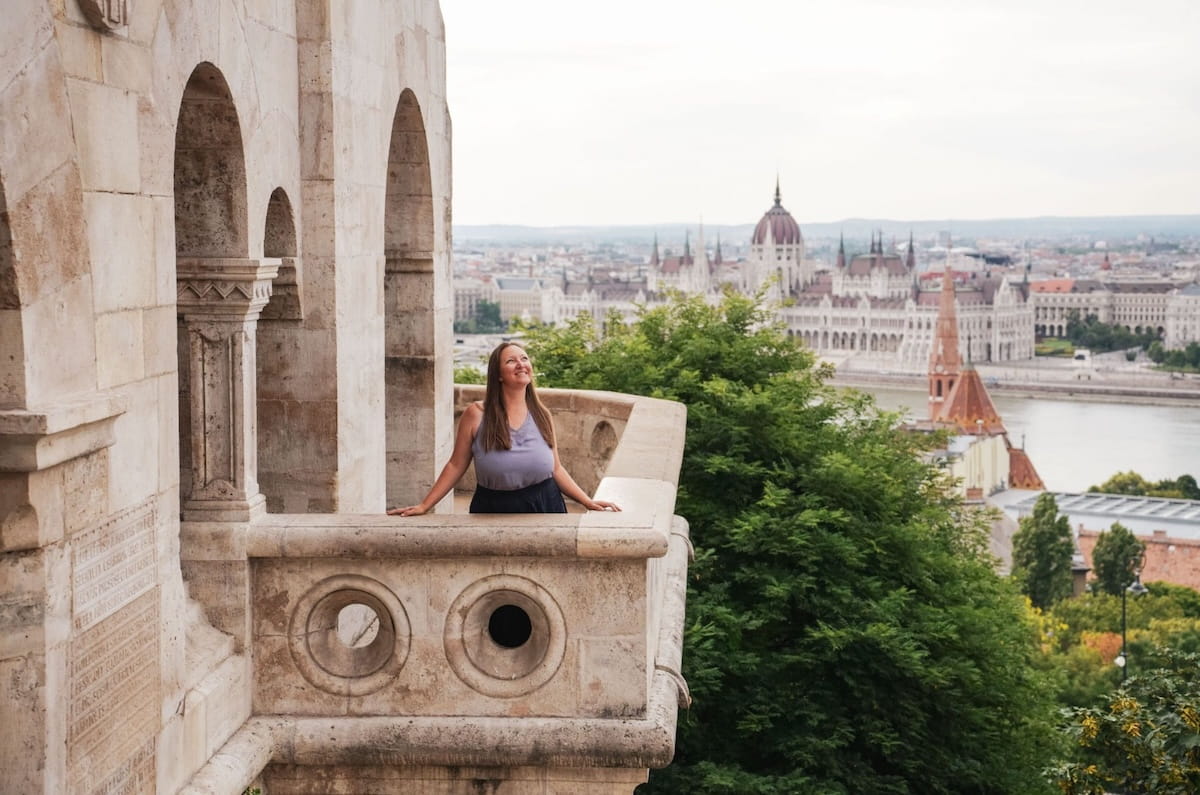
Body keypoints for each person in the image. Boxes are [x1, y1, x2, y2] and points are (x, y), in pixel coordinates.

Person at [388, 341, 621, 516]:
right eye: (511, 361)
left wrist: (587, 501)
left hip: (545, 504)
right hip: (492, 507)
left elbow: (556, 469)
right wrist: (425, 505)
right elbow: (456, 465)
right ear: (498, 375)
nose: (521, 364)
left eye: (525, 358)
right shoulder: (476, 414)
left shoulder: (542, 414)